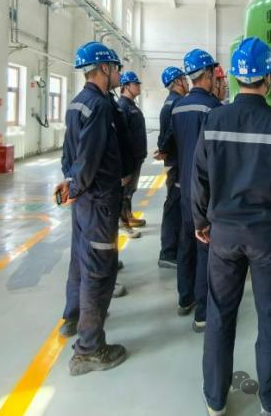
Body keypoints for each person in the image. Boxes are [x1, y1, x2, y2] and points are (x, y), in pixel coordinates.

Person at [193, 37, 271, 416]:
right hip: (268, 237)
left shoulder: (214, 120)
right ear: (269, 78)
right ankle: (270, 399)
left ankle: (215, 399)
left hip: (224, 235)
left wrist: (200, 220)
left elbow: (199, 178)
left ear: (233, 78)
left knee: (219, 314)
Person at [53, 41, 128, 375]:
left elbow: (69, 152)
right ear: (104, 69)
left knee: (80, 261)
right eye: (116, 68)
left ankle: (74, 317)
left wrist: (70, 182)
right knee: (99, 269)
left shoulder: (77, 103)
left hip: (85, 201)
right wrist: (77, 184)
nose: (119, 74)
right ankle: (89, 349)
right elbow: (90, 156)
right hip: (98, 201)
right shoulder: (98, 105)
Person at [163, 48, 221, 333]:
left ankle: (184, 298)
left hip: (183, 185)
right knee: (205, 247)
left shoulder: (178, 107)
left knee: (186, 241)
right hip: (207, 189)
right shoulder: (214, 109)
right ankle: (203, 312)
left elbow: (169, 145)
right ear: (207, 74)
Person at [154, 66, 189, 268]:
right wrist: (164, 149)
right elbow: (171, 133)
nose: (187, 82)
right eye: (184, 79)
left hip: (173, 161)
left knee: (173, 204)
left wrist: (163, 148)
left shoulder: (170, 102)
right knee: (173, 206)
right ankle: (168, 253)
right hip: (176, 163)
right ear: (176, 82)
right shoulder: (177, 103)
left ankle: (171, 249)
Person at [117, 71, 148, 239]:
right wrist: (124, 165)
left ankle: (128, 216)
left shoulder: (131, 105)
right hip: (129, 158)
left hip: (137, 157)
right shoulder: (122, 106)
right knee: (124, 192)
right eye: (135, 84)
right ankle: (123, 224)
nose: (138, 86)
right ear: (126, 86)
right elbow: (122, 138)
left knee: (130, 191)